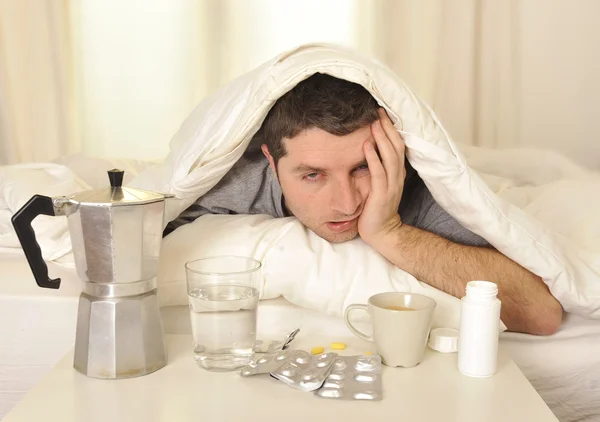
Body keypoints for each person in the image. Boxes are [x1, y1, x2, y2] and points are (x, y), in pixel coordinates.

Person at [166, 73, 563, 335]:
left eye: (362, 167)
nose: (346, 203)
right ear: (271, 161)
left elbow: (541, 313)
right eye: (312, 175)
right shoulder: (234, 180)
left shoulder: (415, 186)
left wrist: (389, 231)